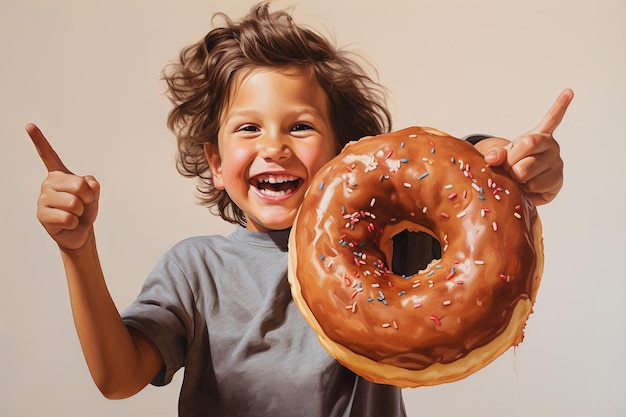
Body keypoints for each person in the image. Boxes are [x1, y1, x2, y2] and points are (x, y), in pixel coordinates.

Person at [27, 3, 573, 416]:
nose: (274, 146)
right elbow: (118, 377)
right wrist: (79, 250)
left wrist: (515, 164)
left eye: (301, 125)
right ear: (216, 163)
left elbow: (458, 181)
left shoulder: (394, 248)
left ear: (344, 153)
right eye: (248, 128)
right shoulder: (196, 271)